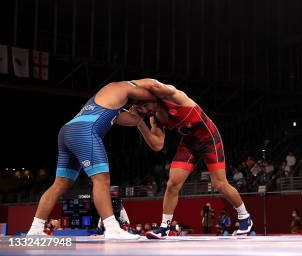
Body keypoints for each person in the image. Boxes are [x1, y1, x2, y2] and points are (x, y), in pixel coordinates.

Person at [26, 80, 157, 240]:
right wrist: (168, 102)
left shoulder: (112, 104)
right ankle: (111, 228)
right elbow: (157, 93)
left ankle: (35, 230)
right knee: (101, 180)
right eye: (146, 107)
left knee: (60, 184)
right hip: (84, 131)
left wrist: (142, 113)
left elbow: (134, 120)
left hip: (67, 131)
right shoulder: (122, 87)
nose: (144, 110)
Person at [130, 79, 253, 238]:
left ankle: (245, 217)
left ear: (153, 98)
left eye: (145, 105)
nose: (144, 110)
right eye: (141, 108)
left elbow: (153, 84)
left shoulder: (173, 96)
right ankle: (165, 227)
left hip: (209, 138)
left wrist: (129, 85)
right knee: (172, 184)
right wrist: (139, 122)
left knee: (219, 184)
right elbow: (157, 145)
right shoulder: (154, 118)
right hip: (189, 143)